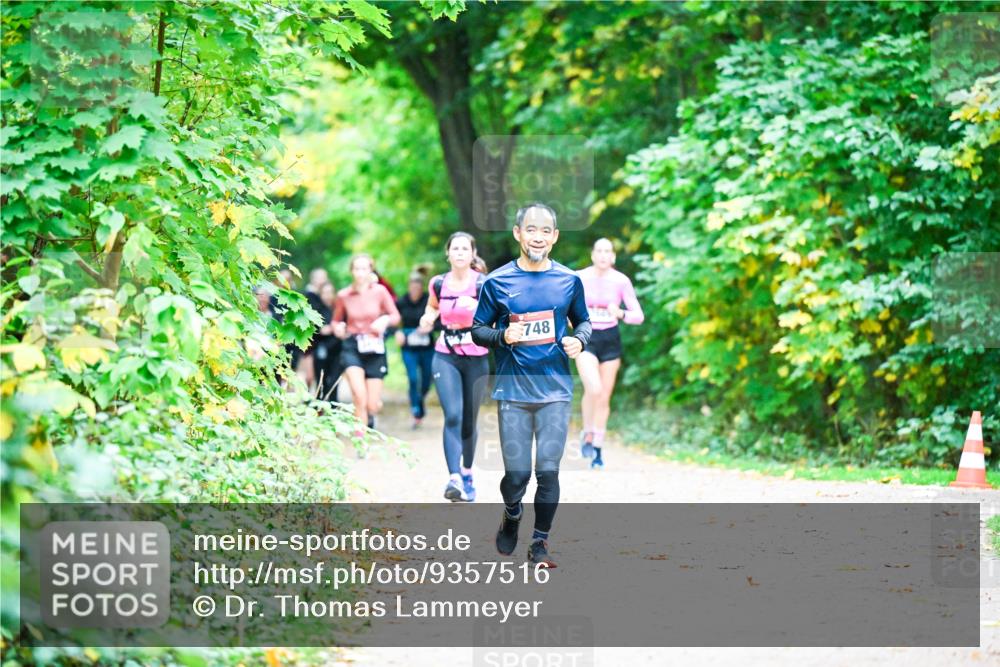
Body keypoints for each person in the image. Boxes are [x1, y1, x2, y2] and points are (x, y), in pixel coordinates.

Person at [471, 203, 592, 568]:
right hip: (513, 391)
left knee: (549, 471)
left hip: (555, 390)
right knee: (518, 474)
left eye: (545, 231)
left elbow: (584, 322)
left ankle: (539, 544)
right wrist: (503, 335)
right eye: (531, 229)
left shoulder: (569, 281)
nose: (537, 236)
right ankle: (511, 513)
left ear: (554, 237)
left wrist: (580, 341)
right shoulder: (497, 282)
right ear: (518, 233)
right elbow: (478, 331)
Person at [417, 232, 490, 502]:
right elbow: (432, 308)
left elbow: (499, 318)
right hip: (445, 354)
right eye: (455, 248)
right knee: (454, 415)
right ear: (448, 254)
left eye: (465, 249)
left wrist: (479, 307)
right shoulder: (438, 284)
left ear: (472, 254)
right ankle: (454, 478)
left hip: (476, 356)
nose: (459, 253)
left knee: (470, 420)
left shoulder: (483, 284)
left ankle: (467, 472)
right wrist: (427, 318)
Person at [575, 238, 645, 469]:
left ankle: (597, 448)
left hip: (610, 340)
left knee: (604, 396)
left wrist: (621, 313)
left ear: (613, 256)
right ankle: (586, 430)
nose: (604, 255)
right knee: (593, 388)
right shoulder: (580, 277)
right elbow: (564, 303)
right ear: (593, 254)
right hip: (586, 338)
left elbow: (638, 315)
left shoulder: (620, 281)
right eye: (599, 251)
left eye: (608, 251)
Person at [332, 254, 401, 434]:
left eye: (364, 269)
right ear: (351, 271)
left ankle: (371, 414)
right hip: (352, 346)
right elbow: (336, 321)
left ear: (370, 270)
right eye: (357, 269)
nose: (360, 273)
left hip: (374, 347)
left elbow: (396, 316)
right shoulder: (344, 295)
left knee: (372, 405)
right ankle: (361, 440)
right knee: (359, 396)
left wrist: (384, 320)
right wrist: (338, 328)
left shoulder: (380, 292)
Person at [395, 272, 436, 429]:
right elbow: (393, 321)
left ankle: (420, 399)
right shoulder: (401, 302)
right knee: (413, 378)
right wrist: (397, 332)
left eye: (418, 288)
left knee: (427, 379)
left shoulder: (429, 301)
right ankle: (416, 410)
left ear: (422, 288)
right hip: (409, 347)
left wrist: (430, 327)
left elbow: (441, 320)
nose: (415, 291)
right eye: (412, 288)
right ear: (409, 287)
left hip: (427, 347)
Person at [314, 281, 343, 403]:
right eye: (324, 293)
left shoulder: (339, 309)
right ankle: (319, 410)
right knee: (321, 381)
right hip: (321, 350)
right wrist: (321, 330)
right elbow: (311, 330)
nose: (327, 295)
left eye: (330, 292)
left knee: (334, 381)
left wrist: (335, 328)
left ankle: (333, 409)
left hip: (337, 351)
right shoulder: (316, 310)